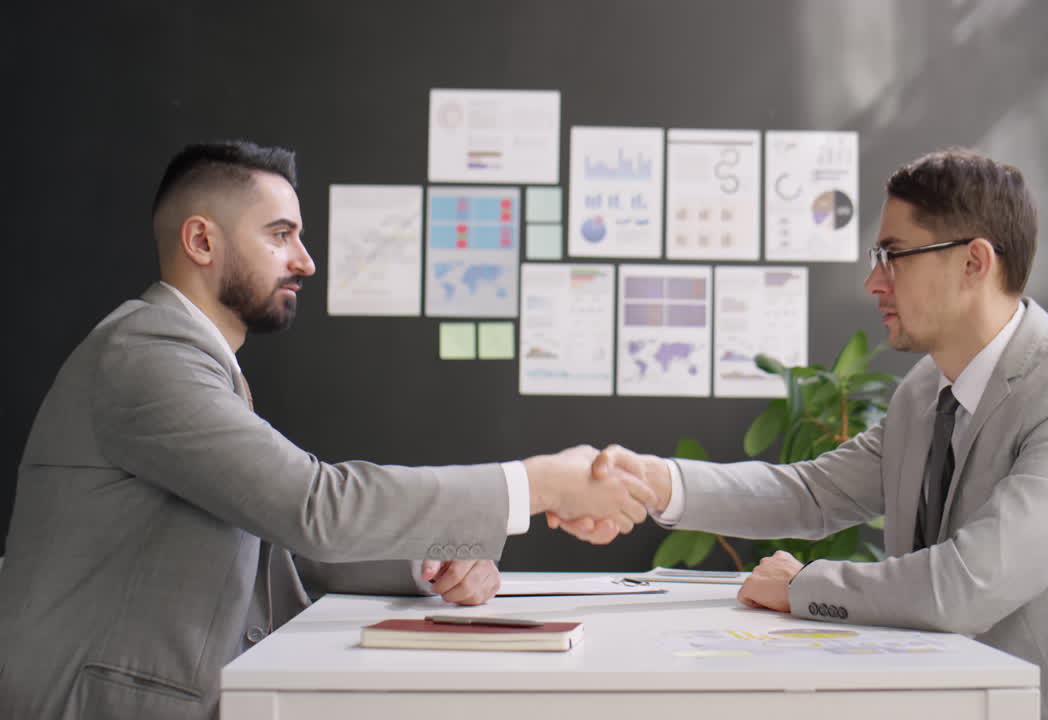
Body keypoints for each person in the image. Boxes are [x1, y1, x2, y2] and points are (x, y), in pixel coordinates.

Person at [0, 140, 652, 720]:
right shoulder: (147, 354)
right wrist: (535, 484)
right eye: (280, 234)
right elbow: (311, 506)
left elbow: (277, 533)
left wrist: (431, 556)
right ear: (201, 242)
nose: (306, 262)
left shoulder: (186, 356)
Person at [570, 149, 1048, 720]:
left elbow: (968, 585)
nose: (874, 283)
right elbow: (812, 494)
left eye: (894, 255)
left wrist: (804, 586)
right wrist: (655, 483)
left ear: (974, 263)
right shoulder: (925, 390)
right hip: (954, 698)